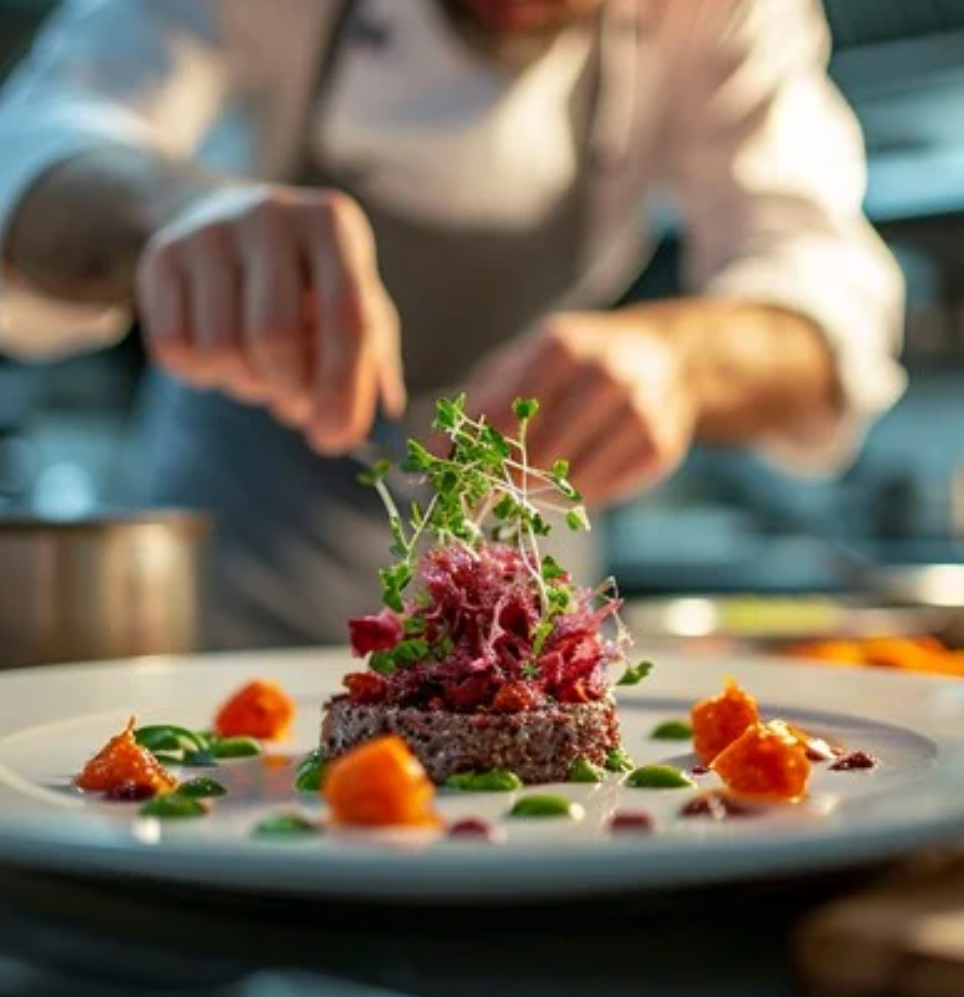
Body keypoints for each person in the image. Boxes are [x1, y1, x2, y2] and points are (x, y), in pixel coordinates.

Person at [0, 0, 904, 648]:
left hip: (525, 588)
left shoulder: (721, 14)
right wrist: (171, 211)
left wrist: (682, 361)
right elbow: (39, 140)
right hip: (229, 589)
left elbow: (828, 297)